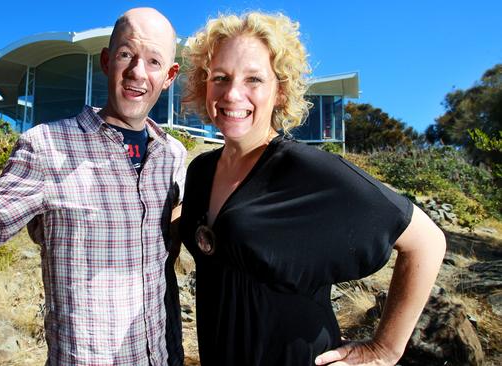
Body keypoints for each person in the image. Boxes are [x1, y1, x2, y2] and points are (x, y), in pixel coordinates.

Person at [0, 7, 186, 366]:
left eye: (153, 61)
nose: (137, 72)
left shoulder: (172, 156)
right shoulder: (47, 146)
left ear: (169, 76)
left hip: (162, 355)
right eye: (126, 55)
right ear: (106, 61)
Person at [178, 12, 446, 366]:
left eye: (254, 79)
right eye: (221, 77)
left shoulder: (309, 171)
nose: (232, 93)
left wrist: (385, 348)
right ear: (204, 83)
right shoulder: (200, 171)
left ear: (280, 90)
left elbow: (427, 242)